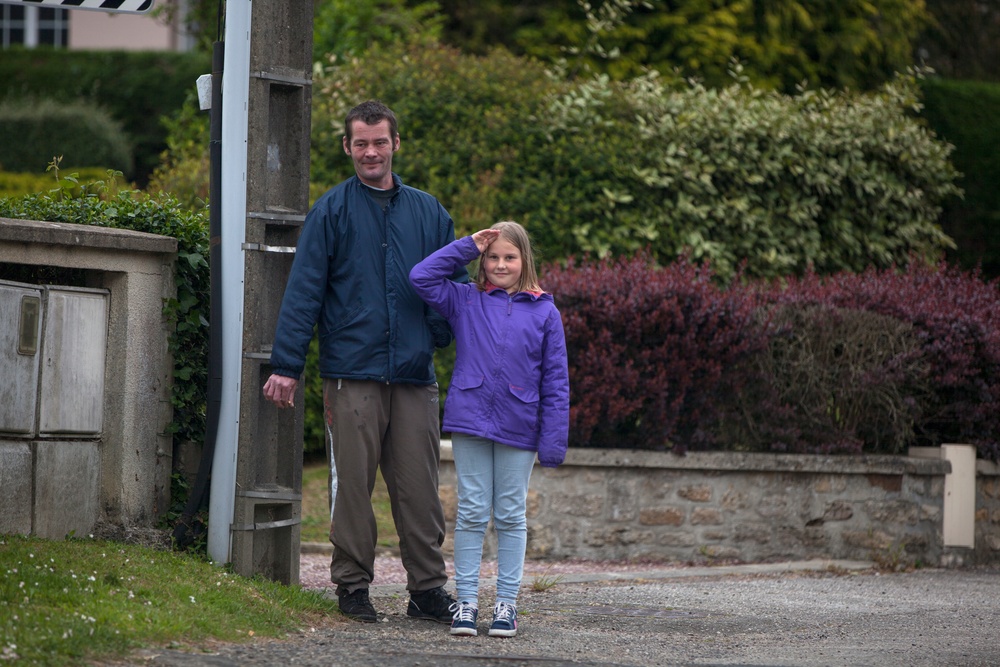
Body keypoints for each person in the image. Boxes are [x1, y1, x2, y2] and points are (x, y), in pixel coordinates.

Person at [263, 100, 465, 625]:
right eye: (361, 143)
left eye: (380, 141)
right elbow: (304, 291)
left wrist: (445, 338)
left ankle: (427, 591)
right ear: (348, 147)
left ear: (396, 143)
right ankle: (353, 586)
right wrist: (286, 364)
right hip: (352, 376)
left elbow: (455, 289)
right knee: (352, 488)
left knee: (420, 492)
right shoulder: (330, 211)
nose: (370, 151)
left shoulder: (429, 211)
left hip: (416, 377)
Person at [409, 221, 570, 638]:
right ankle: (466, 604)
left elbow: (556, 381)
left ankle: (507, 605)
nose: (500, 264)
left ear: (524, 260)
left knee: (511, 515)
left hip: (521, 423)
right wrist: (468, 245)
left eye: (509, 257)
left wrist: (552, 442)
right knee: (473, 511)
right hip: (471, 418)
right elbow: (421, 276)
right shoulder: (465, 299)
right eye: (493, 256)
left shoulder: (545, 311)